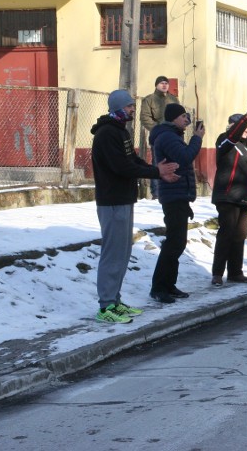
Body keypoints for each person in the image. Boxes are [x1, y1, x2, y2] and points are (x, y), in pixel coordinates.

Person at [91, 90, 179, 323]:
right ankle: (105, 306)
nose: (132, 109)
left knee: (122, 253)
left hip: (123, 199)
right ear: (118, 107)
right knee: (113, 254)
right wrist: (155, 172)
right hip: (112, 201)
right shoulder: (107, 134)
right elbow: (121, 167)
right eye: (129, 106)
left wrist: (155, 170)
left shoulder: (120, 131)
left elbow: (132, 161)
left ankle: (115, 301)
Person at [149, 103, 205, 303]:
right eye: (183, 116)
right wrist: (197, 138)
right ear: (173, 118)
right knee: (174, 242)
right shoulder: (167, 136)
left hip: (178, 194)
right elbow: (185, 157)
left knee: (177, 242)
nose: (186, 120)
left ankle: (168, 284)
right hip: (173, 195)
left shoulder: (172, 135)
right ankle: (159, 287)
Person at [211, 101, 247, 286]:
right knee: (226, 233)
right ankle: (217, 273)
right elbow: (232, 136)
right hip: (228, 195)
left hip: (244, 197)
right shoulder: (225, 141)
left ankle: (235, 272)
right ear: (233, 126)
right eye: (242, 126)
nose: (246, 130)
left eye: (246, 126)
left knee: (240, 234)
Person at [139, 76, 179, 198]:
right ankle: (156, 192)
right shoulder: (149, 100)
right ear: (156, 85)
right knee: (158, 162)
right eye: (161, 83)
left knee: (175, 162)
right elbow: (145, 118)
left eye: (166, 83)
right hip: (158, 137)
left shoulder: (173, 99)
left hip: (174, 137)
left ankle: (173, 189)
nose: (164, 85)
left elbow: (180, 115)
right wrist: (158, 129)